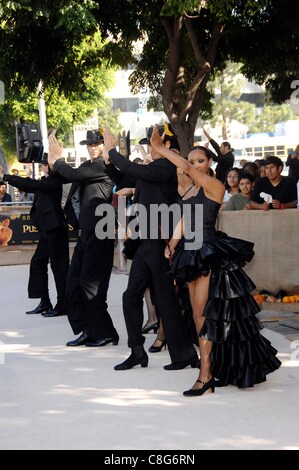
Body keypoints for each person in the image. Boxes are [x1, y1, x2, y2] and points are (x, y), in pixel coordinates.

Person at [150, 125, 281, 396]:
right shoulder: (190, 191)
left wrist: (162, 150)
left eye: (200, 161)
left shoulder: (215, 186)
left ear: (210, 163)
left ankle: (205, 375)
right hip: (190, 252)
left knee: (203, 315)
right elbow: (186, 221)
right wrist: (171, 246)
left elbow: (186, 168)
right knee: (199, 317)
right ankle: (210, 369)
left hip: (208, 252)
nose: (195, 165)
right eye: (193, 161)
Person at [103, 127, 198, 371]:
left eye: (155, 143)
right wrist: (108, 161)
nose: (150, 148)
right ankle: (137, 351)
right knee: (131, 296)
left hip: (160, 242)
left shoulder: (166, 167)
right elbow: (126, 179)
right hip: (146, 241)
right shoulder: (153, 169)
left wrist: (112, 150)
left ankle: (184, 354)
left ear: (166, 145)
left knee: (165, 300)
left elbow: (133, 170)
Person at [48, 130, 119, 347]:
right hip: (87, 231)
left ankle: (105, 332)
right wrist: (53, 162)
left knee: (90, 284)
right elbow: (66, 176)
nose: (92, 147)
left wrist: (58, 158)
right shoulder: (88, 166)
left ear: (103, 145)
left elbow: (71, 175)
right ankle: (86, 329)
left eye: (97, 143)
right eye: (89, 144)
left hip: (102, 230)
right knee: (72, 283)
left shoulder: (102, 167)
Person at [3, 161, 69, 316]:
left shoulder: (55, 180)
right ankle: (45, 302)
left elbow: (31, 184)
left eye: (48, 164)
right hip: (48, 230)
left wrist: (6, 176)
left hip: (56, 230)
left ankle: (62, 305)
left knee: (59, 268)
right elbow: (29, 186)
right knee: (37, 263)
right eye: (43, 164)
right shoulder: (45, 181)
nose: (44, 167)